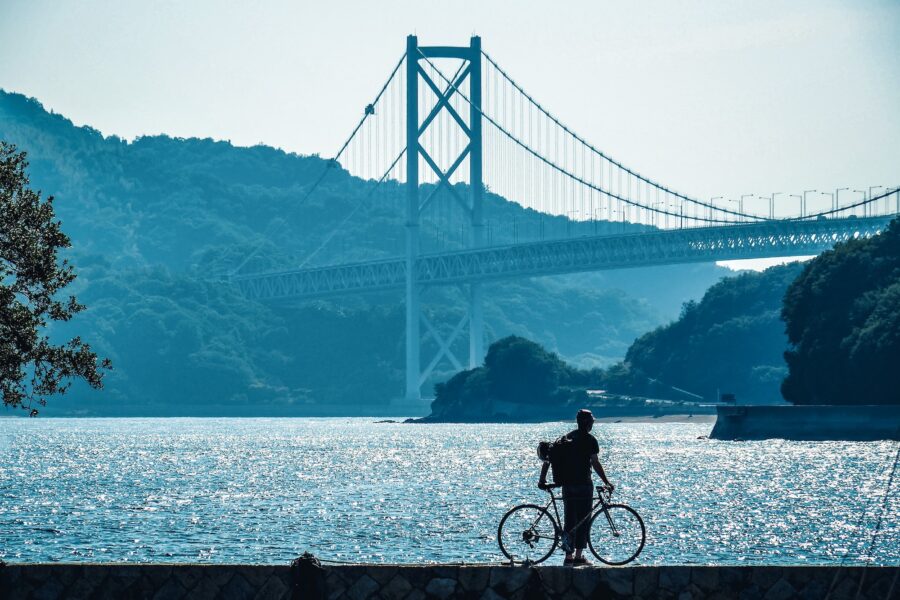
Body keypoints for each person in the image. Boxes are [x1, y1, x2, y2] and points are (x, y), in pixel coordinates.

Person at [538, 409, 614, 566]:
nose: (593, 423)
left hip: (567, 485)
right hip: (584, 485)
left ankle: (568, 557)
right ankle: (578, 556)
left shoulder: (567, 438)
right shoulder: (590, 440)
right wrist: (606, 481)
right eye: (592, 421)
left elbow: (548, 458)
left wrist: (542, 480)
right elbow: (595, 462)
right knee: (583, 520)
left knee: (570, 520)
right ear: (587, 423)